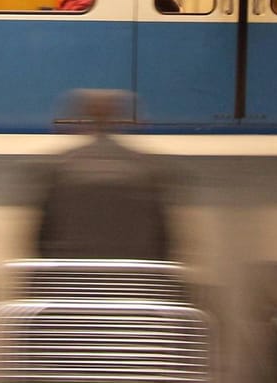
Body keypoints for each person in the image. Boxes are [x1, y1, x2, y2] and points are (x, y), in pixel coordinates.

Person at [38, 90, 176, 261]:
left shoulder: (60, 169)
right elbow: (164, 243)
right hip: (136, 281)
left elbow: (43, 240)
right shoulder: (147, 169)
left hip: (69, 280)